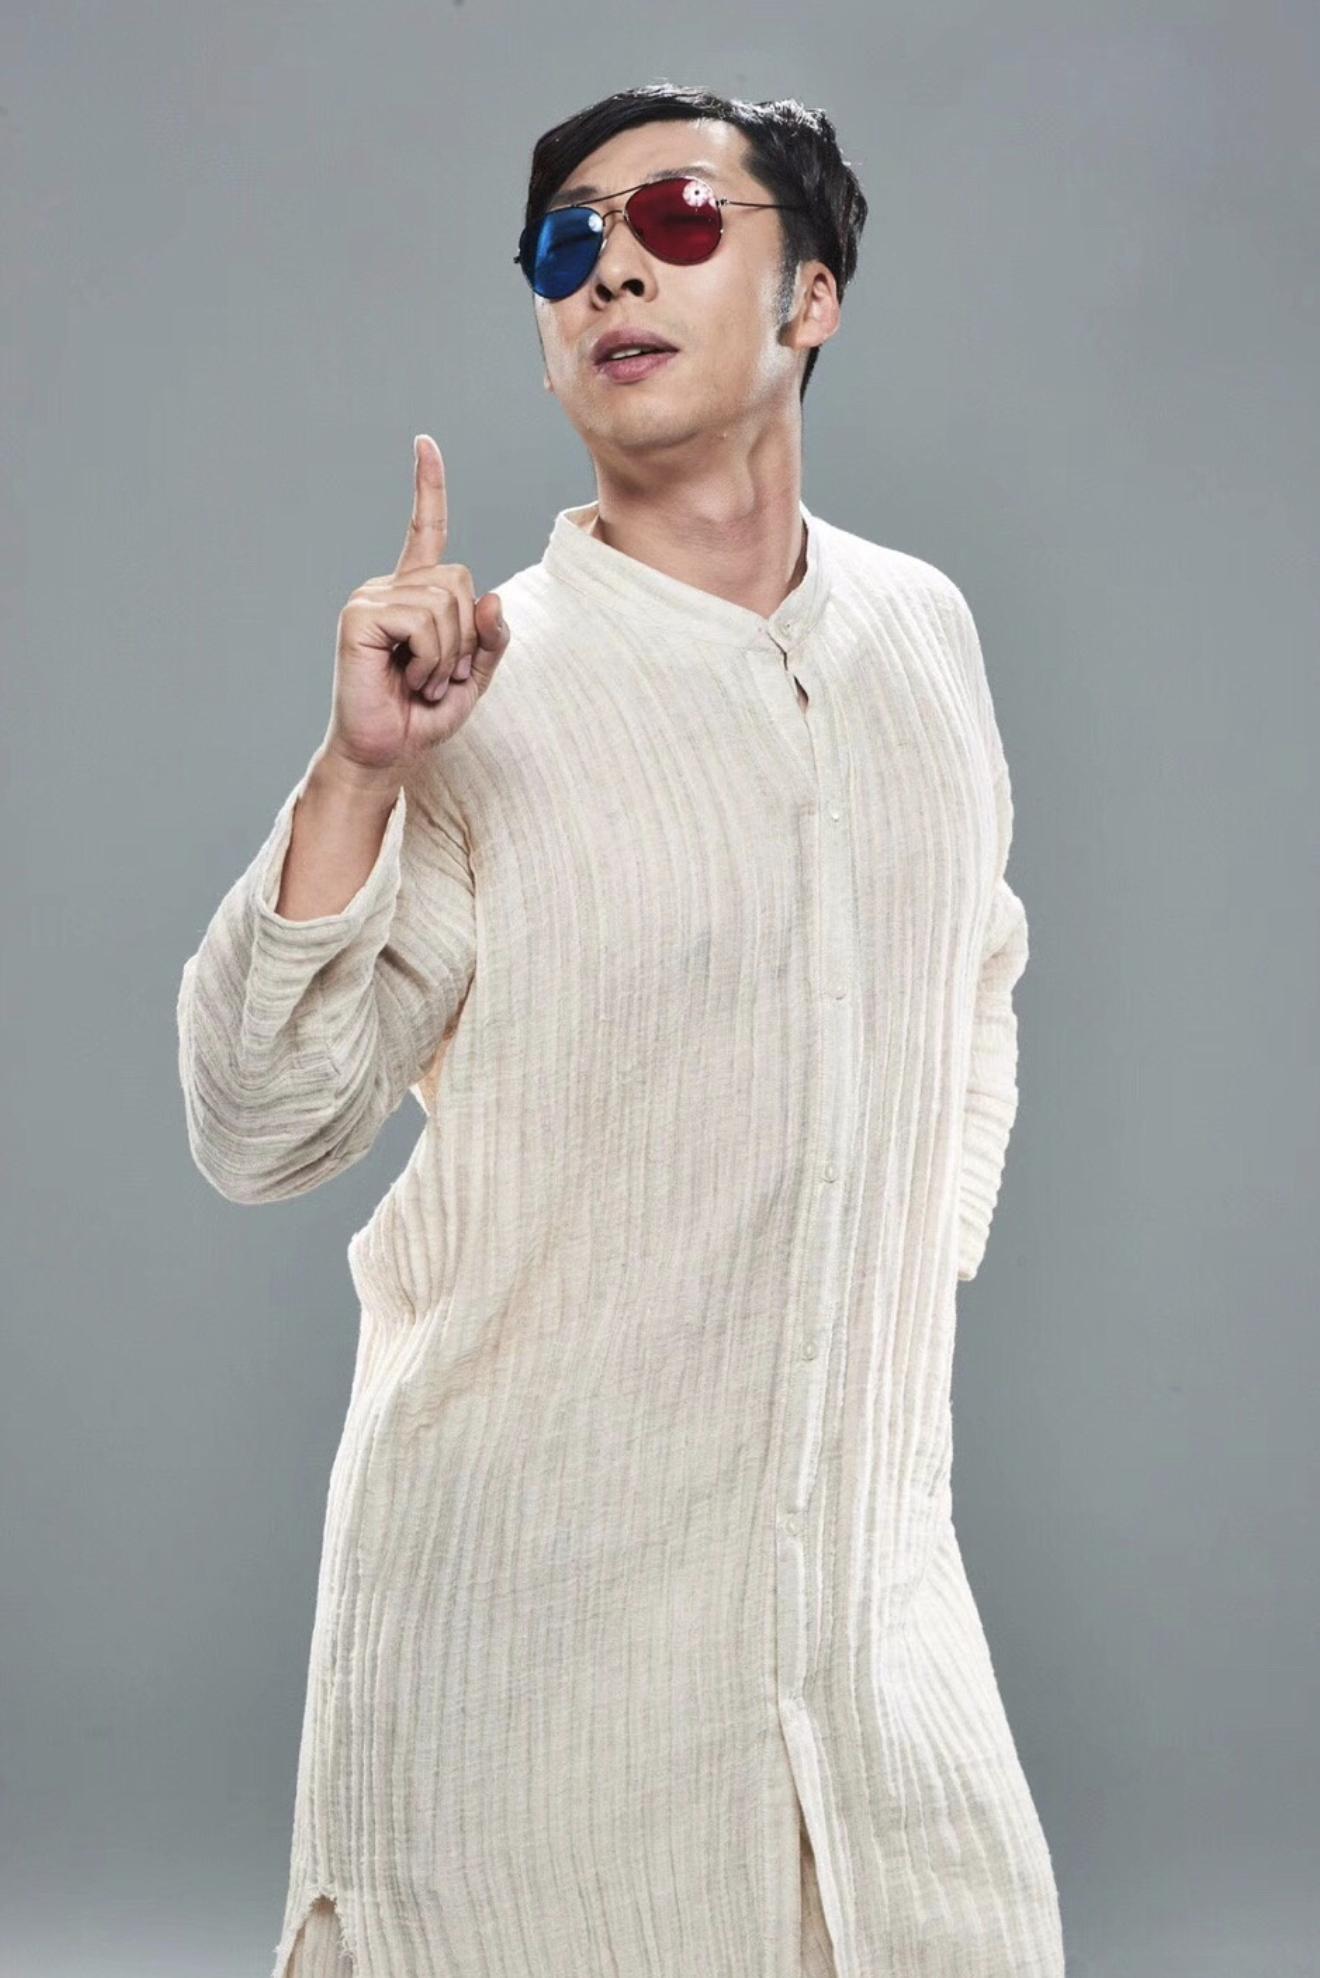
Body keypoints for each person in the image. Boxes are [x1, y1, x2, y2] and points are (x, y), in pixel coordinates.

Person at [177, 81, 1066, 1978]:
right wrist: (358, 772)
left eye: (674, 221)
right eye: (566, 244)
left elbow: (976, 966)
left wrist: (892, 1261)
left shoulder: (923, 634)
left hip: (873, 1653)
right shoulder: (477, 691)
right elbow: (260, 1123)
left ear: (811, 295)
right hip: (527, 1684)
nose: (610, 275)